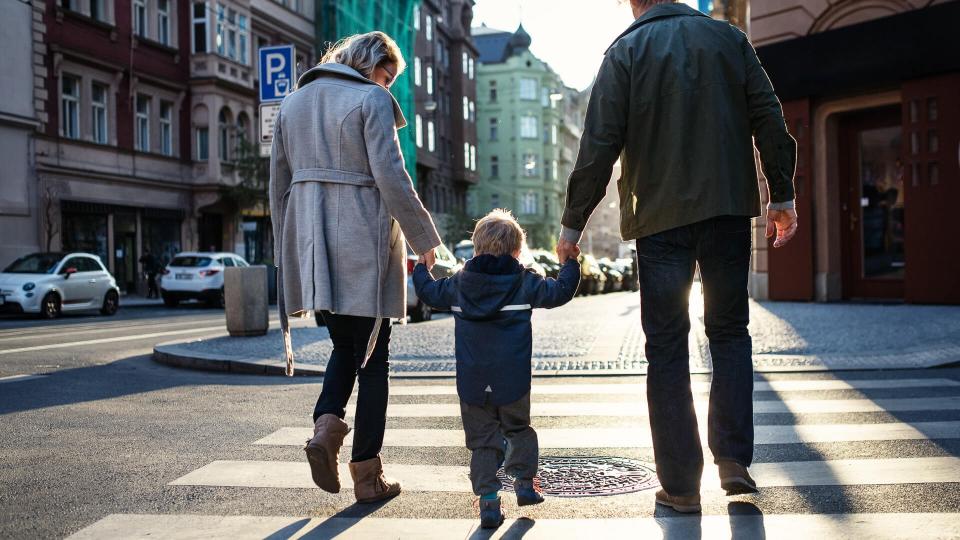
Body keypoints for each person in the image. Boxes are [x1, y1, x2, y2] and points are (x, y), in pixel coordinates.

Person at [557, 0, 799, 513]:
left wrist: (572, 224)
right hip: (728, 208)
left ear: (634, 3)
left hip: (659, 219)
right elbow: (768, 115)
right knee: (729, 332)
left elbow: (599, 144)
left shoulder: (623, 52)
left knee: (666, 347)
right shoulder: (728, 39)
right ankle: (733, 460)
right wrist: (782, 194)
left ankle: (682, 485)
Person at [268, 31, 442, 504]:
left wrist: (288, 252)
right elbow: (390, 174)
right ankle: (367, 473)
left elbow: (278, 185)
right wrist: (425, 240)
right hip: (361, 239)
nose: (387, 87)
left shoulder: (293, 103)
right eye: (386, 77)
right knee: (374, 356)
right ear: (368, 65)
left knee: (345, 345)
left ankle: (326, 430)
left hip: (313, 243)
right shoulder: (371, 100)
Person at [412, 209, 580, 529]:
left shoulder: (459, 284)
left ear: (476, 248)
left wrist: (423, 267)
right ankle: (525, 483)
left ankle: (489, 502)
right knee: (519, 429)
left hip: (473, 382)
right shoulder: (524, 281)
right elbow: (559, 292)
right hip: (513, 379)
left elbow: (428, 292)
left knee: (483, 441)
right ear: (518, 251)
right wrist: (570, 262)